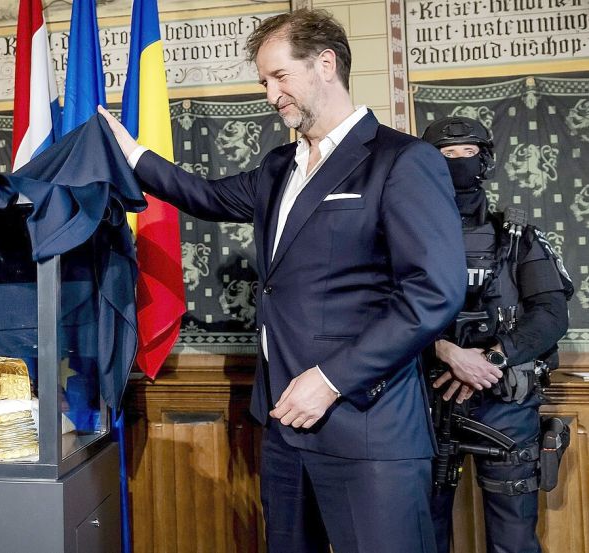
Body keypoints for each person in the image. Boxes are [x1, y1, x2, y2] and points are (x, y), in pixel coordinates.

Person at [99, 9, 466, 553]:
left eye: (279, 77)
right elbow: (207, 195)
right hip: (283, 426)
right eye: (264, 81)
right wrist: (132, 154)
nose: (271, 95)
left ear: (325, 64)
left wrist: (333, 379)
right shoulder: (278, 166)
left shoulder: (401, 160)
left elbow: (432, 292)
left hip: (366, 425)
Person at [422, 116, 573, 553]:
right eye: (445, 157)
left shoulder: (518, 235)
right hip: (427, 400)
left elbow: (550, 315)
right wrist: (446, 352)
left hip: (504, 400)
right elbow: (381, 314)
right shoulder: (404, 236)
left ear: (485, 160)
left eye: (467, 154)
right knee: (419, 534)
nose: (457, 164)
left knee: (513, 540)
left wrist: (491, 360)